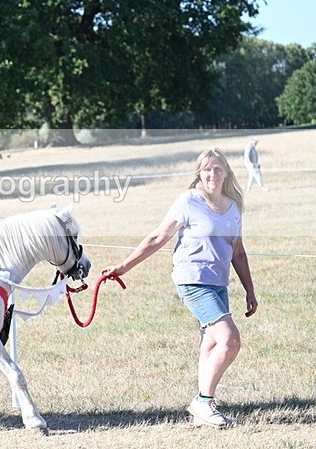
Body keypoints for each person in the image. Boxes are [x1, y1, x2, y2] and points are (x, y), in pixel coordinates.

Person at [101, 148, 258, 428]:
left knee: (210, 342)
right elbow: (157, 237)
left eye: (218, 168)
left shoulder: (233, 206)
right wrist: (124, 266)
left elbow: (238, 251)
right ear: (199, 172)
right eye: (207, 169)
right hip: (192, 279)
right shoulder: (187, 201)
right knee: (229, 339)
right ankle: (203, 401)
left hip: (218, 281)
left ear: (227, 172)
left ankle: (203, 407)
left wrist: (250, 290)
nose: (213, 174)